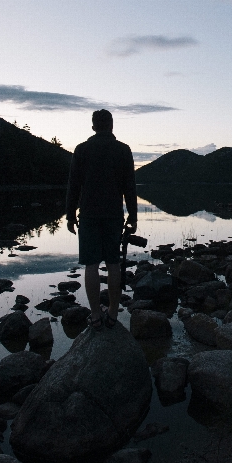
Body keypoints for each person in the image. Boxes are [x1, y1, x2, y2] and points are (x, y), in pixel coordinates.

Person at [65, 109, 137, 330]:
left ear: (94, 126)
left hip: (88, 215)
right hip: (113, 215)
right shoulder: (123, 150)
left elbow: (73, 185)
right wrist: (133, 216)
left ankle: (96, 315)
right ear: (111, 125)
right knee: (113, 263)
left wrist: (70, 214)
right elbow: (129, 187)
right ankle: (113, 313)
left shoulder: (82, 150)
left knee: (91, 265)